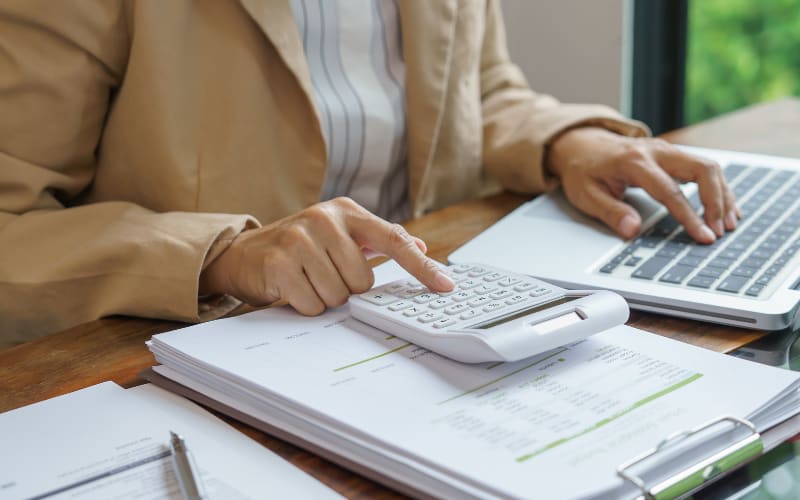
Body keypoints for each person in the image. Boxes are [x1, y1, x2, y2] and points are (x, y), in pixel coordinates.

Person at [0, 0, 737, 349]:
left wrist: (566, 141)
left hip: (433, 322)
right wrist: (221, 254)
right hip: (197, 347)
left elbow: (482, 93)